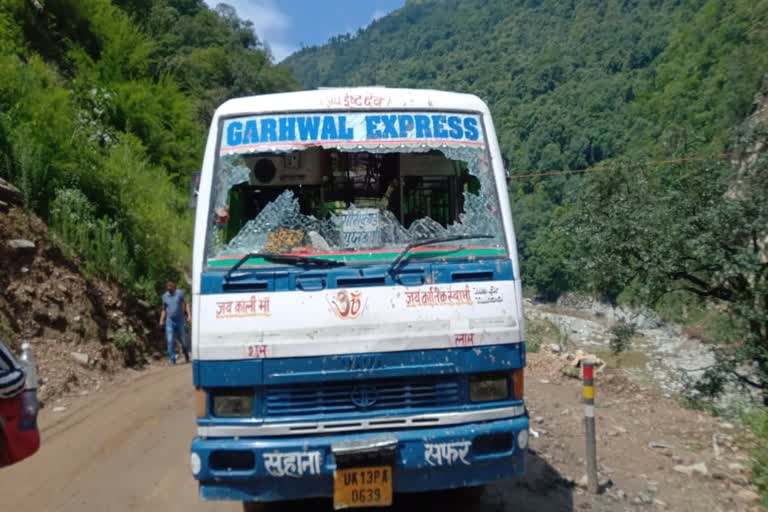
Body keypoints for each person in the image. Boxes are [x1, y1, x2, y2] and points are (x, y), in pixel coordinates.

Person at [159, 280, 191, 365]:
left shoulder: (180, 293)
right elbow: (164, 309)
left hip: (180, 320)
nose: (169, 288)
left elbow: (186, 303)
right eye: (168, 286)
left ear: (174, 287)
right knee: (170, 340)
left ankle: (186, 355)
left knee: (183, 340)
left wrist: (189, 315)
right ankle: (172, 360)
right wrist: (161, 320)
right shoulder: (165, 296)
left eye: (171, 286)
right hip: (170, 321)